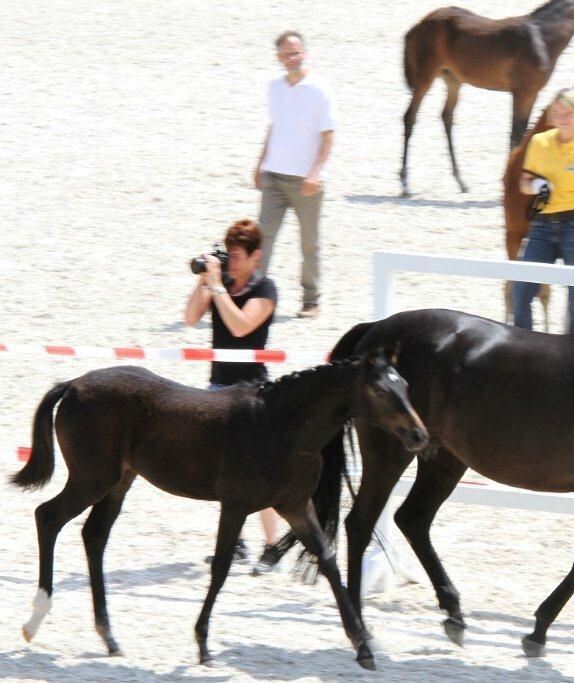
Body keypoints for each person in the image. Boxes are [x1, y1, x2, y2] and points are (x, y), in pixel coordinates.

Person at [183, 219, 284, 574]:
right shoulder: (220, 282)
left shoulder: (265, 289)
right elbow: (190, 317)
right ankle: (236, 543)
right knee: (224, 470)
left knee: (259, 472)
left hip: (254, 393)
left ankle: (272, 546)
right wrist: (204, 282)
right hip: (218, 388)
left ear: (256, 256)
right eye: (230, 256)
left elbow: (242, 325)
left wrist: (219, 289)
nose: (233, 263)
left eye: (239, 257)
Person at [254, 30, 337, 319]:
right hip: (274, 176)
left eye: (298, 52)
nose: (294, 58)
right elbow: (274, 127)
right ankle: (253, 295)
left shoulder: (319, 89)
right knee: (262, 238)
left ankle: (310, 300)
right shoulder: (274, 87)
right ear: (279, 57)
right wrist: (259, 164)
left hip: (306, 182)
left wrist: (315, 173)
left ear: (305, 53)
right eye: (288, 53)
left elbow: (328, 135)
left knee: (309, 242)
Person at [514, 89, 574, 332]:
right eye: (557, 113)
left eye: (568, 113)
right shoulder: (539, 142)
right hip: (543, 224)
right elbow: (524, 183)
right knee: (521, 291)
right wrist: (536, 185)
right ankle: (523, 348)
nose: (562, 118)